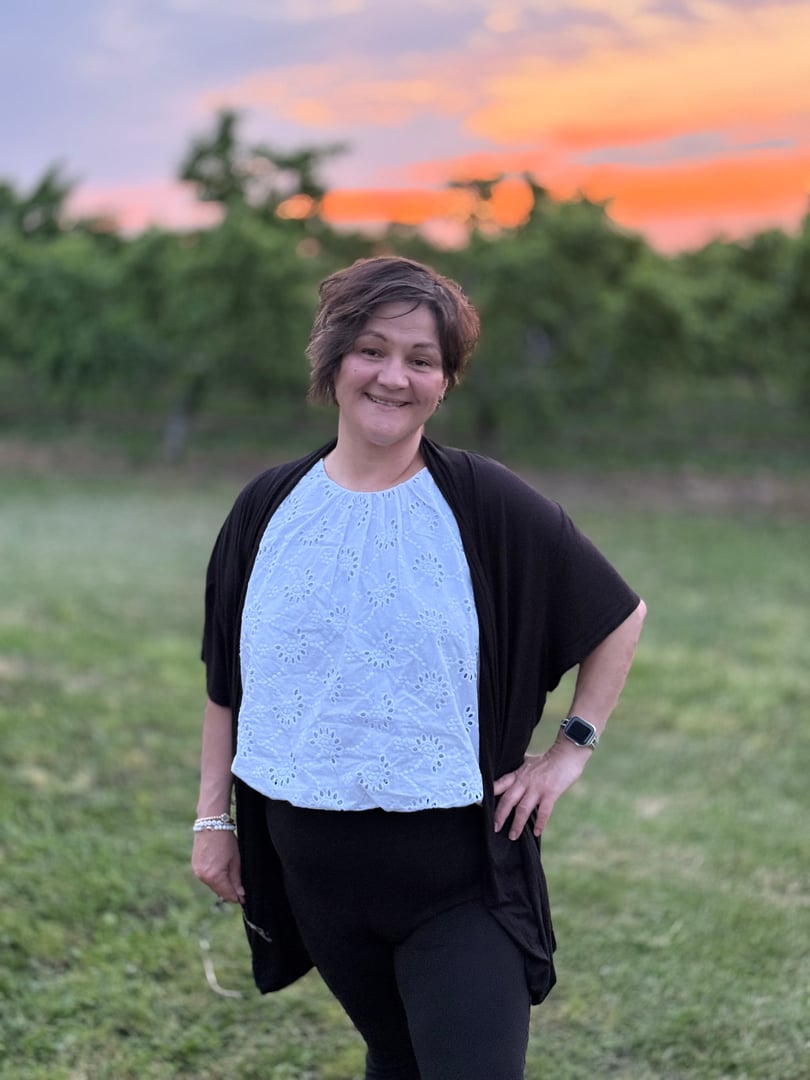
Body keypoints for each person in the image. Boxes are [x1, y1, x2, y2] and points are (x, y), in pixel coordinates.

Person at [192, 255, 646, 1080]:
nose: (393, 376)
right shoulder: (266, 506)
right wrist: (211, 821)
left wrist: (571, 748)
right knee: (397, 1059)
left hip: (458, 885)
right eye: (372, 349)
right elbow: (228, 681)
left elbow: (619, 616)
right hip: (316, 882)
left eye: (422, 359)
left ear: (445, 382)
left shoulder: (484, 502)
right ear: (333, 360)